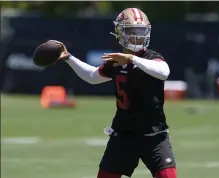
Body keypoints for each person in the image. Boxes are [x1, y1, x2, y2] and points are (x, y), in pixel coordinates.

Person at [49, 7, 177, 178]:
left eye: (141, 32)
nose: (137, 37)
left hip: (154, 135)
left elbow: (164, 71)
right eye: (132, 32)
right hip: (123, 135)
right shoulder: (116, 61)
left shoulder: (150, 58)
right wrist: (68, 58)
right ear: (119, 33)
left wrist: (132, 59)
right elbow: (93, 77)